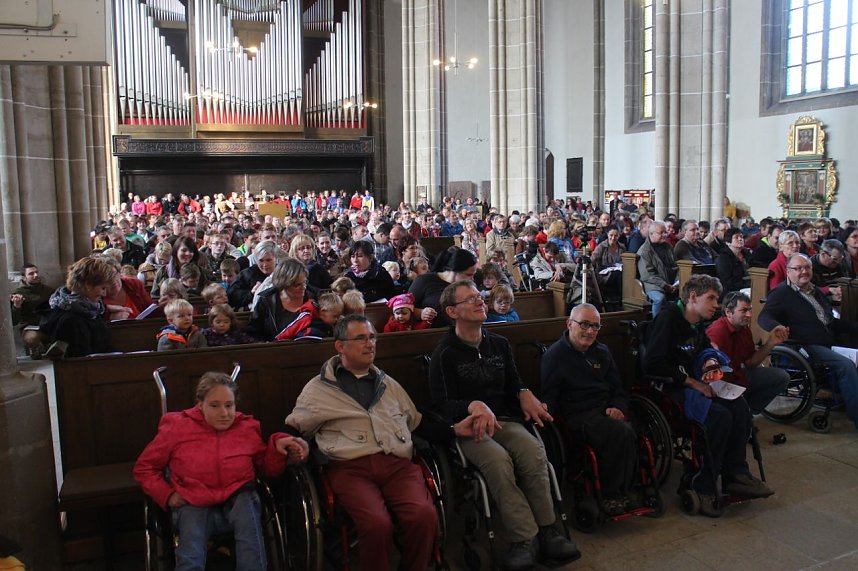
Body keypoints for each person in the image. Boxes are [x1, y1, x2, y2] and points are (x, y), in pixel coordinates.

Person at [285, 315, 477, 571]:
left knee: (424, 515)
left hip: (397, 463)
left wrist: (453, 429)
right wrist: (294, 446)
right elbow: (294, 428)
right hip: (350, 469)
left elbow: (417, 423)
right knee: (377, 524)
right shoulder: (319, 389)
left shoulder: (388, 384)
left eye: (372, 337)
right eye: (361, 338)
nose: (370, 344)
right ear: (340, 346)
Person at [429, 280, 580, 570]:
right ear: (452, 311)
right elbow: (442, 406)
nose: (479, 301)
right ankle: (524, 539)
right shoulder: (444, 354)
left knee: (534, 451)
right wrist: (471, 405)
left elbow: (514, 383)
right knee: (499, 463)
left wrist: (524, 393)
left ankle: (548, 530)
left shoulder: (498, 343)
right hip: (470, 429)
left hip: (504, 421)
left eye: (478, 296)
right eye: (469, 299)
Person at [134, 372, 308, 571]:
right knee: (191, 549)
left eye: (229, 405)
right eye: (215, 405)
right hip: (193, 498)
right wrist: (167, 495)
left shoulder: (246, 428)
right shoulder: (177, 428)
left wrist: (277, 447)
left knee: (247, 512)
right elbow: (145, 468)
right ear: (200, 404)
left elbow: (268, 469)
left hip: (238, 496)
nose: (224, 413)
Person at [643, 275, 773, 517]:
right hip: (669, 388)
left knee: (739, 407)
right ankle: (700, 484)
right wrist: (693, 383)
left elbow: (702, 352)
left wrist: (712, 361)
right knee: (720, 416)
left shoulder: (697, 324)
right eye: (711, 298)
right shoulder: (668, 318)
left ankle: (736, 473)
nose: (716, 304)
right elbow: (653, 363)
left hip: (696, 383)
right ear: (693, 297)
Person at [540, 303, 636, 516]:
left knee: (636, 426)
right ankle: (612, 494)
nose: (590, 331)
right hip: (576, 415)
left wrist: (617, 406)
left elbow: (617, 388)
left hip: (605, 410)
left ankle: (628, 487)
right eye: (584, 325)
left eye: (595, 326)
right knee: (620, 432)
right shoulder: (555, 356)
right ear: (569, 324)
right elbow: (550, 396)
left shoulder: (602, 352)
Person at [758, 253, 858, 430]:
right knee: (846, 365)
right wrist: (777, 327)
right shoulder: (782, 293)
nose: (803, 271)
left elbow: (829, 321)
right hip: (806, 345)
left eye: (807, 267)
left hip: (829, 340)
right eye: (798, 268)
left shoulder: (814, 290)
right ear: (788, 272)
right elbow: (764, 316)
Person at [706, 292, 790, 414]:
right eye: (744, 311)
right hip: (721, 382)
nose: (749, 315)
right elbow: (711, 372)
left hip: (738, 376)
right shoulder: (717, 332)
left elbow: (751, 363)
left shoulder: (744, 329)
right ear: (728, 312)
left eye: (750, 310)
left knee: (781, 377)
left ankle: (748, 412)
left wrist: (770, 343)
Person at [38, 256, 117, 358]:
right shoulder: (72, 320)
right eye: (102, 288)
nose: (104, 294)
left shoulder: (88, 310)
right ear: (88, 285)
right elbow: (81, 361)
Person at [409, 247, 478, 328]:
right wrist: (421, 313)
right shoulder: (424, 281)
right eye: (469, 275)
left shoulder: (467, 286)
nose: (472, 279)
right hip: (430, 333)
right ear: (455, 271)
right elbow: (404, 307)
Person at [245, 258, 312, 341]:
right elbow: (253, 332)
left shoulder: (312, 298)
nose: (303, 287)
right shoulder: (266, 300)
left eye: (304, 282)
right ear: (284, 284)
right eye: (297, 285)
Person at [10, 263, 54, 355]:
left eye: (36, 272)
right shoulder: (18, 293)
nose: (36, 275)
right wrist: (17, 306)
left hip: (48, 324)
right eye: (31, 274)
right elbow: (14, 321)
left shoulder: (48, 290)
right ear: (24, 277)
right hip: (31, 327)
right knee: (32, 338)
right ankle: (36, 348)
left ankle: (49, 345)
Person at [636, 220, 678, 316]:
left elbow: (675, 266)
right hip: (651, 284)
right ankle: (657, 324)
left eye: (665, 232)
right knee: (659, 298)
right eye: (661, 233)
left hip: (670, 282)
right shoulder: (645, 251)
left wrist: (677, 282)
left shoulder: (668, 247)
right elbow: (647, 275)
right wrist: (664, 285)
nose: (664, 235)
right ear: (651, 234)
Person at [227, 241, 280, 310]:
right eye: (261, 260)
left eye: (268, 260)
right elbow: (231, 296)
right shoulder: (248, 274)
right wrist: (251, 293)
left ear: (276, 259)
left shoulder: (283, 273)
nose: (265, 264)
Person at [715, 227, 751, 295]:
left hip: (748, 287)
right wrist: (748, 284)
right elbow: (727, 282)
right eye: (736, 237)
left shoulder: (746, 253)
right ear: (728, 242)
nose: (740, 239)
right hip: (732, 291)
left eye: (741, 237)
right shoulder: (723, 258)